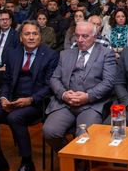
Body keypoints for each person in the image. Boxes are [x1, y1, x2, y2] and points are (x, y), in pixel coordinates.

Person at [0, 21, 58, 171]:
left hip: (36, 103)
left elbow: (50, 86)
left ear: (40, 36)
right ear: (20, 38)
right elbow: (7, 81)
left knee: (15, 118)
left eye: (34, 34)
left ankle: (27, 163)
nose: (31, 37)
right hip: (13, 100)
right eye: (27, 34)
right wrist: (3, 98)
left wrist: (30, 100)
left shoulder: (50, 55)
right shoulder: (13, 53)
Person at [43, 21, 116, 150]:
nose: (80, 40)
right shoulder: (65, 54)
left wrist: (88, 96)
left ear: (95, 36)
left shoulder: (105, 54)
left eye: (85, 36)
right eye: (77, 36)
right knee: (50, 132)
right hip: (65, 103)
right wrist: (64, 94)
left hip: (91, 105)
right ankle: (70, 157)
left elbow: (109, 82)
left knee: (84, 136)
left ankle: (80, 158)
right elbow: (54, 78)